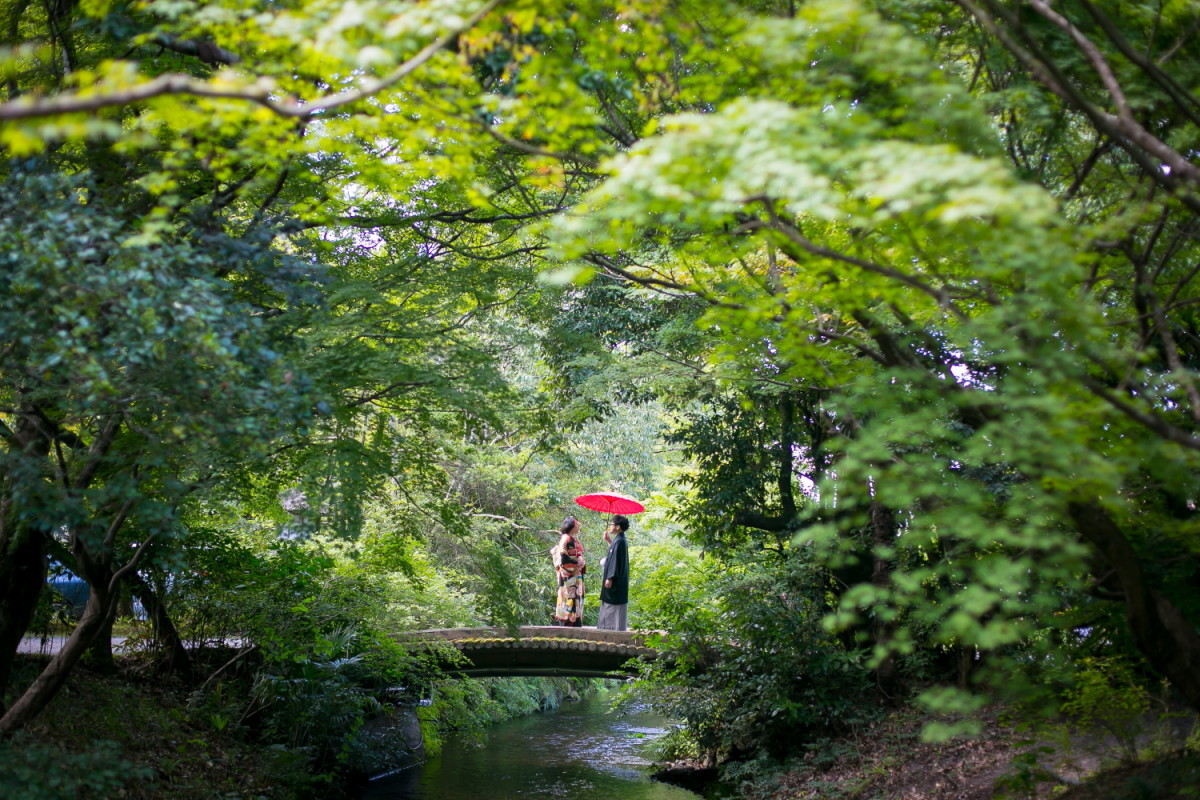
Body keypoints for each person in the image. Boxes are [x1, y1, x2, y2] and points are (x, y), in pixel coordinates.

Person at [551, 515, 586, 626]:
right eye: (576, 524)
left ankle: (574, 620)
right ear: (571, 526)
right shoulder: (566, 539)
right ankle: (568, 622)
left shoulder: (571, 538)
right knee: (569, 597)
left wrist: (580, 562)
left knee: (575, 597)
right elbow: (564, 559)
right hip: (569, 574)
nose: (578, 526)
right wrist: (577, 563)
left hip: (575, 574)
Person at [597, 514, 629, 631]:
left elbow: (615, 560)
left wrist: (610, 577)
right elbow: (614, 553)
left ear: (618, 527)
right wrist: (609, 541)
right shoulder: (618, 540)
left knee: (612, 608)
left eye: (612, 524)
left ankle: (610, 631)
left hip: (615, 581)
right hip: (616, 580)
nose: (610, 526)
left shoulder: (620, 541)